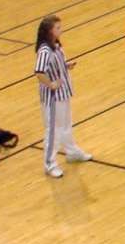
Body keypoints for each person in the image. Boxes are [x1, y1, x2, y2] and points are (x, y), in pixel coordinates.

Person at [32, 15, 91, 179]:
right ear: (49, 31)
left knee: (66, 124)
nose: (61, 30)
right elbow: (39, 72)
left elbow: (54, 65)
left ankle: (71, 152)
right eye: (57, 28)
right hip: (52, 97)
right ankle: (50, 164)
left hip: (63, 92)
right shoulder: (44, 50)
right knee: (53, 130)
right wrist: (51, 84)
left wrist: (66, 66)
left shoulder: (56, 45)